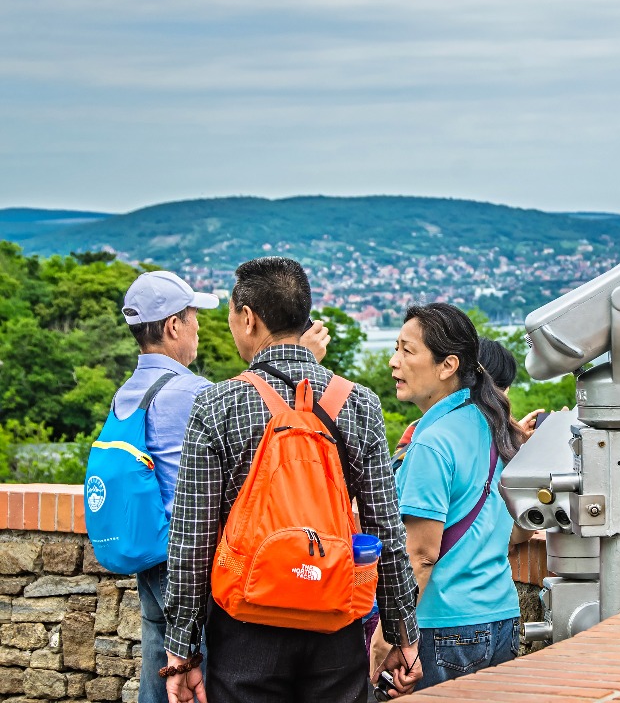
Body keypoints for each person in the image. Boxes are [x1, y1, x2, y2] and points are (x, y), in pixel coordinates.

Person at [161, 257, 420, 703]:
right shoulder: (358, 403)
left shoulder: (215, 406)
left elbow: (192, 539)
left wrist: (182, 652)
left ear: (248, 318)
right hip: (335, 617)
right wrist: (401, 632)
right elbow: (385, 530)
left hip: (247, 625)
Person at [116, 270, 331, 703]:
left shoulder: (132, 390)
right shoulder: (193, 392)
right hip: (197, 569)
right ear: (174, 326)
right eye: (193, 316)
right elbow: (265, 446)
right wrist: (297, 360)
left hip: (153, 556)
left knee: (159, 676)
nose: (199, 326)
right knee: (203, 682)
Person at [372, 304, 524, 691]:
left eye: (407, 351)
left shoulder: (433, 441)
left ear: (447, 365)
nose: (394, 363)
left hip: (446, 624)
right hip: (501, 614)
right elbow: (512, 528)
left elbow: (421, 554)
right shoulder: (491, 424)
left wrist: (389, 636)